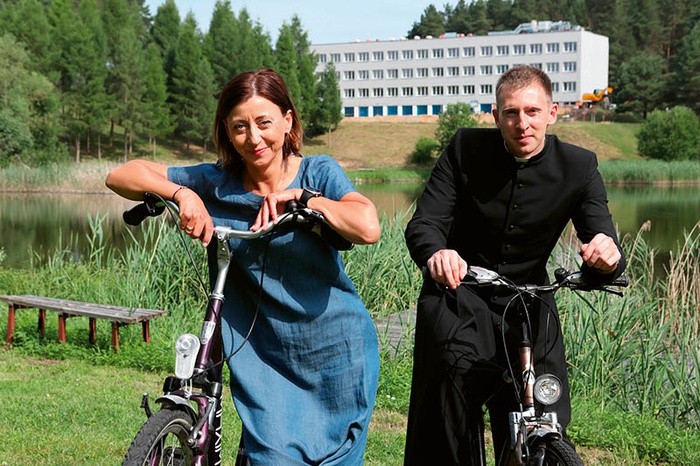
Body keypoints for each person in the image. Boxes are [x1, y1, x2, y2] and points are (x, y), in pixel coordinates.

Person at [105, 68, 381, 465]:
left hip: (335, 352)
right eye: (239, 127)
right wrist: (182, 194)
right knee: (272, 456)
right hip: (262, 357)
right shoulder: (216, 182)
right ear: (227, 132)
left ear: (287, 121)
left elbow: (368, 227)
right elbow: (120, 175)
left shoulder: (318, 172)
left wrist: (304, 199)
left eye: (264, 123)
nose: (253, 138)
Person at [403, 65, 626, 465]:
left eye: (532, 111)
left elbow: (603, 242)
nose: (522, 123)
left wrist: (605, 259)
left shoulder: (579, 166)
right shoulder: (464, 149)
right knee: (447, 410)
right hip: (461, 295)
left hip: (529, 301)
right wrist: (437, 253)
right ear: (495, 116)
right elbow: (425, 223)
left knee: (545, 408)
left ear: (552, 113)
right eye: (511, 113)